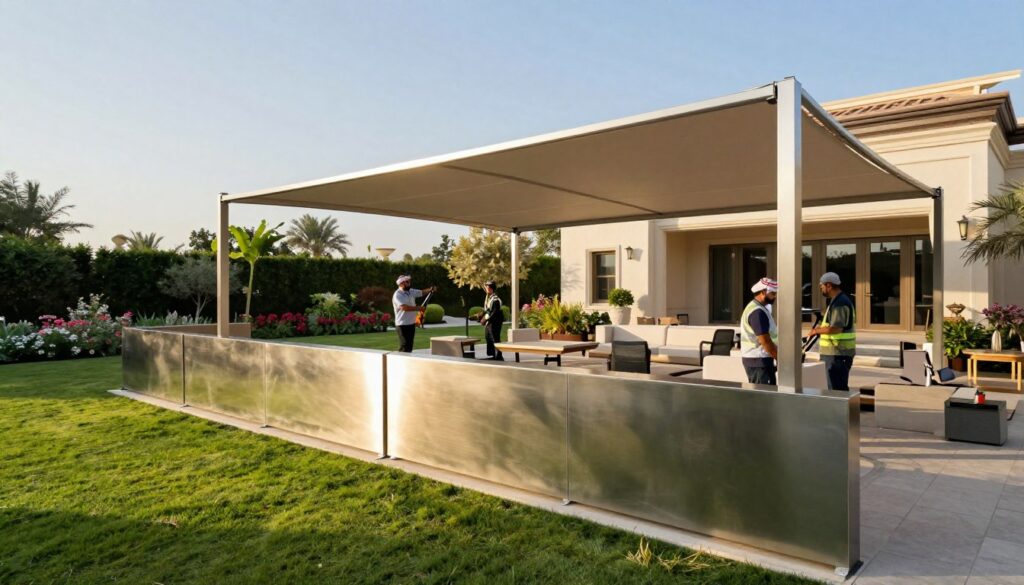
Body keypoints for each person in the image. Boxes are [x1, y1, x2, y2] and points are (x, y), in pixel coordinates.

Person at [809, 272, 856, 391]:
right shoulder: (836, 301)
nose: (821, 289)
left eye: (822, 286)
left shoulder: (840, 303)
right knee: (834, 387)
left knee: (836, 389)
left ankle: (839, 410)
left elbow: (836, 328)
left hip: (837, 353)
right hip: (835, 353)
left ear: (829, 285)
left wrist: (816, 331)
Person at [740, 278, 779, 385]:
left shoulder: (758, 308)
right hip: (758, 360)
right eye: (772, 293)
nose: (775, 296)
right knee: (763, 398)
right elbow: (765, 341)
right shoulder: (757, 312)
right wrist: (779, 357)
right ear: (763, 292)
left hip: (758, 360)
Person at [392, 275, 435, 352]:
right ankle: (400, 361)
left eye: (409, 281)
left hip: (411, 323)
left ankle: (406, 362)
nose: (409, 283)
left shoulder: (411, 291)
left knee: (409, 346)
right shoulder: (397, 294)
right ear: (401, 283)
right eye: (407, 282)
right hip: (402, 324)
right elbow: (404, 308)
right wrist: (419, 308)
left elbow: (421, 292)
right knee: (404, 345)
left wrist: (430, 289)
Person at [479, 281, 504, 361]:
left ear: (492, 289)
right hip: (490, 321)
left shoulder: (495, 299)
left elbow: (494, 312)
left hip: (495, 321)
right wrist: (481, 317)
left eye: (489, 287)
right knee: (488, 336)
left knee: (495, 338)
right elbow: (487, 310)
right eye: (487, 287)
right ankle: (492, 355)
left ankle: (498, 356)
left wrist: (486, 320)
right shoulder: (488, 297)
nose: (487, 288)